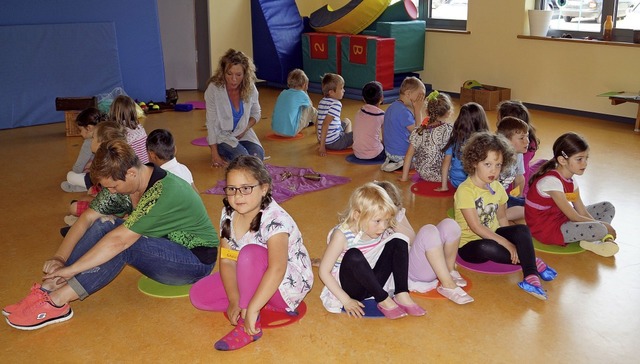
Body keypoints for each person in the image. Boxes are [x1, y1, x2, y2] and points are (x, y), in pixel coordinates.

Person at [4, 140, 219, 330]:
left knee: (124, 244)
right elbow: (87, 219)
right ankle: (49, 287)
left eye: (113, 187)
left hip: (194, 262)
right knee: (103, 223)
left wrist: (73, 270)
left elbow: (120, 242)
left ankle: (58, 302)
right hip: (165, 248)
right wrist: (60, 260)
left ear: (131, 173)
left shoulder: (164, 190)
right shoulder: (125, 181)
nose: (112, 192)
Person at [189, 155, 313, 351]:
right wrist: (233, 299)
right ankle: (251, 300)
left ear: (264, 188)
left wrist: (252, 308)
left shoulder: (275, 219)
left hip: (285, 287)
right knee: (198, 296)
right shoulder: (228, 212)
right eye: (232, 189)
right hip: (250, 272)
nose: (238, 196)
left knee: (249, 254)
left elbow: (278, 268)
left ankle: (248, 325)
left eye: (246, 189)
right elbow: (227, 260)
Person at [454, 132, 557, 300]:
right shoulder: (465, 191)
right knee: (486, 247)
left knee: (522, 229)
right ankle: (531, 261)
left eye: (498, 165)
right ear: (474, 162)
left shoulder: (497, 187)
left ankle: (530, 276)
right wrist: (507, 244)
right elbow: (476, 227)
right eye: (487, 164)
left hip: (494, 233)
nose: (493, 170)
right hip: (470, 244)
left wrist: (514, 239)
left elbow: (502, 219)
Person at [318, 182, 425, 319]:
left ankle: (402, 294)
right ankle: (383, 300)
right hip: (352, 288)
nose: (383, 227)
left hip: (374, 283)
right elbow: (323, 271)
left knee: (399, 239)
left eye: (386, 221)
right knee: (354, 255)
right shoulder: (342, 235)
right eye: (378, 221)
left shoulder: (379, 228)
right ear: (357, 215)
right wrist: (346, 300)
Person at [525, 132, 618, 257]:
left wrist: (598, 224)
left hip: (560, 217)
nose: (584, 164)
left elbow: (582, 211)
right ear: (562, 160)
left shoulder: (572, 181)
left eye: (586, 158)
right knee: (600, 229)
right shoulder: (551, 182)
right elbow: (574, 216)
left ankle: (593, 238)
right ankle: (597, 238)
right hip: (546, 229)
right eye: (579, 159)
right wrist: (602, 226)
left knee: (607, 206)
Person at [205, 49, 264, 167]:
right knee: (244, 160)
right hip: (222, 136)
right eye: (229, 74)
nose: (233, 79)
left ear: (245, 74)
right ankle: (227, 152)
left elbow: (256, 113)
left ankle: (234, 156)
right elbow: (211, 124)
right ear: (223, 72)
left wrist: (245, 127)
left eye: (238, 75)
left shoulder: (250, 87)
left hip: (244, 133)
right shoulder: (213, 89)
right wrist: (214, 154)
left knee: (257, 157)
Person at [66, 121, 127, 222]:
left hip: (113, 208)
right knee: (90, 191)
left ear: (101, 143)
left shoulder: (107, 165)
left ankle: (95, 222)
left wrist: (90, 199)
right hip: (109, 198)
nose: (90, 140)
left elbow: (112, 200)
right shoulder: (108, 158)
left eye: (93, 138)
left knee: (73, 207)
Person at [399, 90, 454, 182]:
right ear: (448, 113)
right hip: (444, 175)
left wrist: (404, 178)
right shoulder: (449, 130)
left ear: (427, 111)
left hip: (423, 174)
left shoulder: (418, 131)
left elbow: (408, 155)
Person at [438, 102, 489, 191]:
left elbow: (446, 164)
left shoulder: (455, 140)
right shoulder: (484, 143)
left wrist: (444, 186)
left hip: (455, 182)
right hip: (474, 184)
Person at [381, 76, 425, 172]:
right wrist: (418, 110)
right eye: (420, 96)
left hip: (389, 153)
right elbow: (418, 134)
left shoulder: (392, 106)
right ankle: (403, 164)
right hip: (401, 155)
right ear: (408, 94)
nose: (421, 99)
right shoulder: (403, 112)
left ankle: (393, 162)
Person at [497, 100, 540, 196]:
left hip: (512, 188)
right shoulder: (528, 143)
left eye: (499, 120)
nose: (498, 124)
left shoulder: (520, 148)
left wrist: (514, 198)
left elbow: (519, 178)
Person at [61, 107, 104, 193]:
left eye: (81, 130)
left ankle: (91, 187)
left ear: (89, 128)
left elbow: (77, 168)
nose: (80, 134)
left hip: (102, 178)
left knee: (70, 175)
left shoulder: (88, 143)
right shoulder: (108, 133)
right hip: (115, 177)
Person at [496, 116, 530, 222]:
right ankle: (493, 219)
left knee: (532, 204)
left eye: (527, 137)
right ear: (506, 141)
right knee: (528, 211)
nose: (527, 141)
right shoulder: (497, 158)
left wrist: (517, 198)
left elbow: (520, 179)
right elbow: (491, 188)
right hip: (489, 199)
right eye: (521, 138)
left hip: (503, 197)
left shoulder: (518, 154)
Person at [271, 68, 317, 137]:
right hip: (290, 132)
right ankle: (319, 129)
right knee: (312, 110)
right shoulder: (302, 94)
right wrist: (305, 92)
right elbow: (309, 107)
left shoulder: (283, 92)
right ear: (305, 85)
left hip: (275, 130)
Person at [317, 73, 353, 156]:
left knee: (347, 121)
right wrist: (322, 147)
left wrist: (319, 139)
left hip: (326, 140)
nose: (344, 90)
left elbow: (318, 121)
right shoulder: (336, 104)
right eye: (341, 88)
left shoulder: (322, 101)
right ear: (331, 92)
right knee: (358, 133)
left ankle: (345, 140)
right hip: (334, 142)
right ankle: (346, 144)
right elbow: (325, 124)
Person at [109, 95, 150, 164]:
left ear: (113, 111)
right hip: (147, 166)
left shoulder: (121, 133)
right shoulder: (140, 127)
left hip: (134, 169)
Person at [352, 81, 386, 162]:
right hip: (376, 155)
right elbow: (385, 138)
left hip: (357, 153)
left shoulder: (359, 112)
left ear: (363, 98)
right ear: (382, 98)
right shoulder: (382, 115)